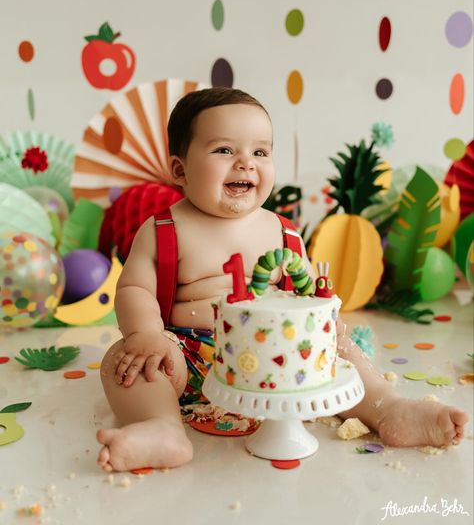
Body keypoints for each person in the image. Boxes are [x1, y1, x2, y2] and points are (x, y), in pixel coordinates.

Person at [97, 87, 469, 472]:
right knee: (124, 362)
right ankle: (161, 427)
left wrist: (328, 327)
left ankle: (388, 408)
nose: (245, 163)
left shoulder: (283, 233)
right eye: (225, 150)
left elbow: (306, 291)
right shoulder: (164, 228)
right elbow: (135, 287)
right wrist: (147, 335)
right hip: (188, 352)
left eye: (260, 152)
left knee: (341, 351)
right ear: (180, 169)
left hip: (277, 354)